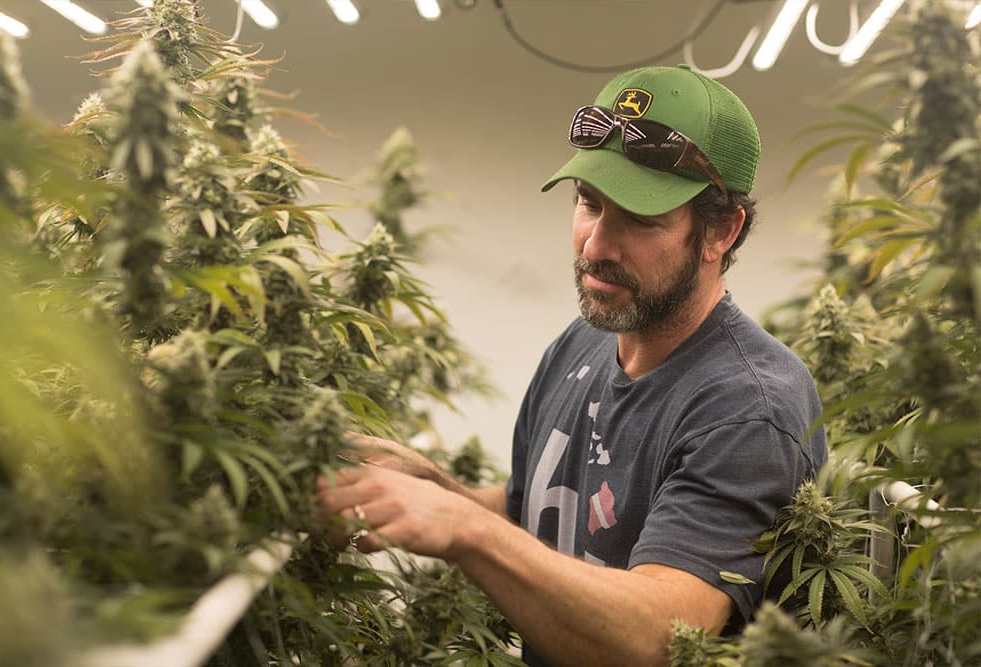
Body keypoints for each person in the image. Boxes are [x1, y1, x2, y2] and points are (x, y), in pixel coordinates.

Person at [316, 65, 828, 667]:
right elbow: (538, 515)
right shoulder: (581, 344)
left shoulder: (747, 407)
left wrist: (464, 529)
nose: (595, 244)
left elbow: (661, 636)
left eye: (639, 220)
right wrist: (431, 488)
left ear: (720, 231)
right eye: (589, 203)